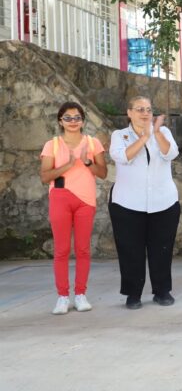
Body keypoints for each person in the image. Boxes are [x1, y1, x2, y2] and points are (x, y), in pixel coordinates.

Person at [109, 96, 180, 310]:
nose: (145, 113)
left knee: (162, 249)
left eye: (148, 109)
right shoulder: (119, 135)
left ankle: (162, 291)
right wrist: (143, 137)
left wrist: (155, 133)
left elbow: (171, 153)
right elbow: (123, 157)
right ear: (129, 112)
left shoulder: (163, 133)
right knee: (131, 250)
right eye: (139, 109)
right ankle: (133, 294)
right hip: (127, 204)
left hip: (164, 202)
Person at [40, 102, 107, 314]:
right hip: (60, 198)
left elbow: (103, 173)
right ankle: (62, 296)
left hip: (85, 200)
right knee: (61, 250)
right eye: (67, 118)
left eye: (77, 117)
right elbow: (45, 176)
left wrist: (87, 162)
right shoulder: (53, 144)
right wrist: (68, 165)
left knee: (83, 249)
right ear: (60, 121)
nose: (72, 121)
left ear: (83, 120)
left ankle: (80, 294)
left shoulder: (92, 142)